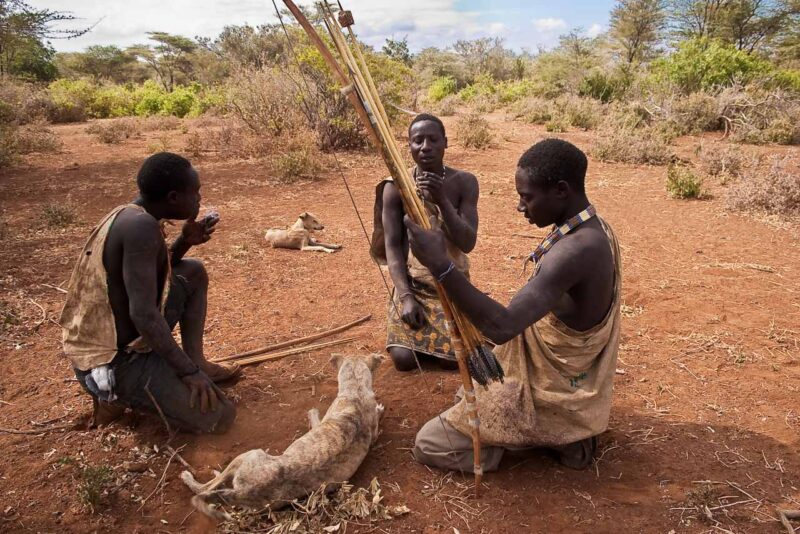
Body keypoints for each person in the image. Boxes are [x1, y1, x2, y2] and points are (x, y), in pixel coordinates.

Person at [406, 138, 621, 471]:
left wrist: (441, 265)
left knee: (430, 444)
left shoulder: (575, 251)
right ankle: (566, 430)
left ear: (562, 190)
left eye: (527, 197)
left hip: (554, 385)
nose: (521, 207)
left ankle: (542, 434)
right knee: (479, 370)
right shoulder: (594, 227)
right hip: (563, 369)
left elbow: (502, 327)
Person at [59, 152, 239, 434]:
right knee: (220, 417)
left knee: (191, 271)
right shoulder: (141, 228)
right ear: (173, 198)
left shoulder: (133, 215)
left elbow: (153, 277)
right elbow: (143, 314)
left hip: (128, 341)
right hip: (114, 361)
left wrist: (184, 241)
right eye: (196, 192)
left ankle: (196, 361)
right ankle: (116, 396)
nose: (199, 199)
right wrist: (188, 374)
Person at [370, 113, 479, 372]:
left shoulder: (464, 182)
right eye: (417, 140)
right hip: (414, 284)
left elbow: (467, 242)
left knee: (451, 359)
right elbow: (393, 246)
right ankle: (423, 327)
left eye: (433, 139)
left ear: (445, 143)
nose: (425, 147)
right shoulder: (395, 186)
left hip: (452, 282)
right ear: (409, 145)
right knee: (404, 360)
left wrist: (441, 200)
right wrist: (406, 297)